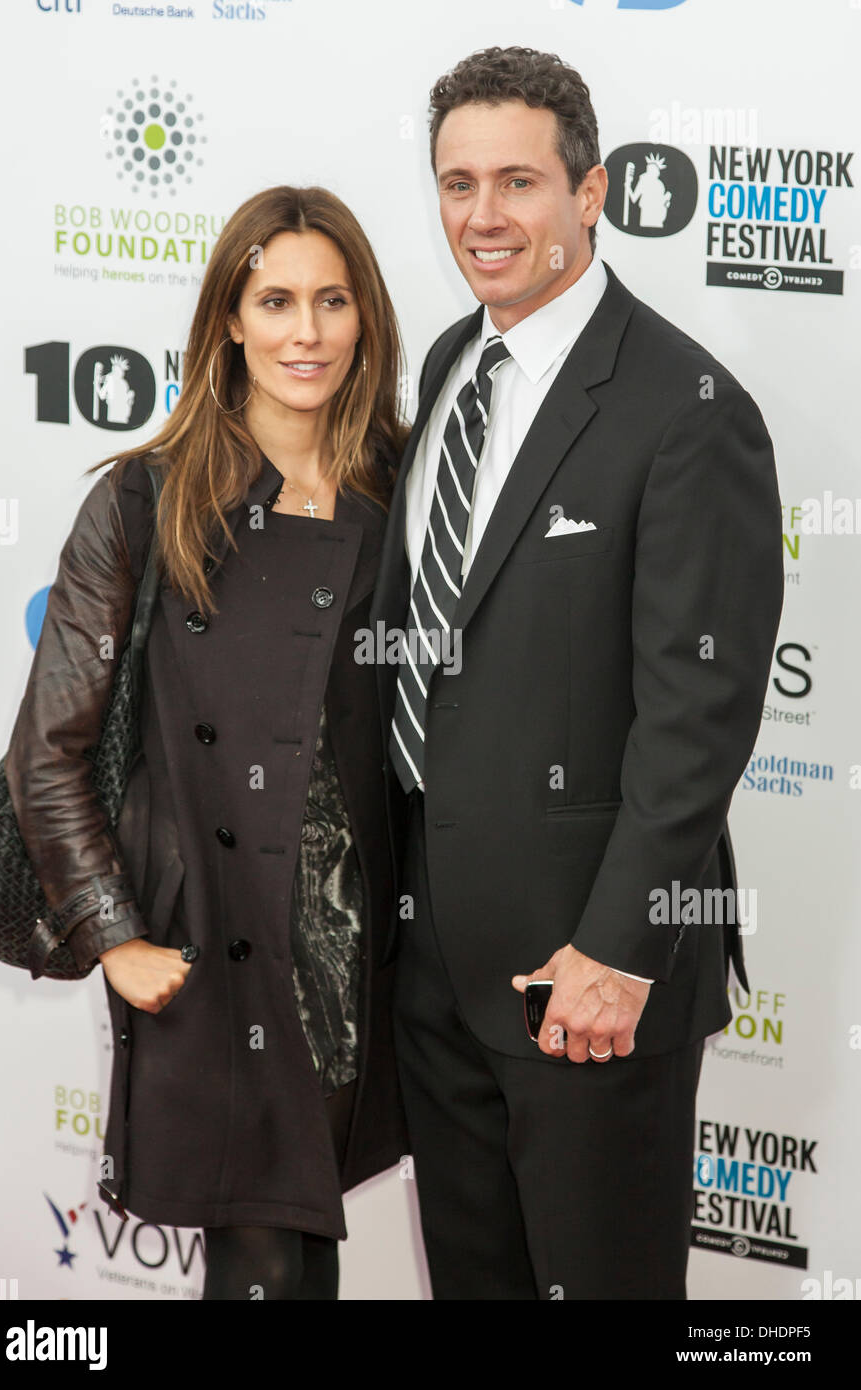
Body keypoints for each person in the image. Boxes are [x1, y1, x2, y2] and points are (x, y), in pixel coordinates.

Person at [370, 46, 784, 1299]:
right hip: (433, 954)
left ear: (590, 193)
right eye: (455, 183)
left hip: (584, 972)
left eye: (517, 182)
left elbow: (697, 712)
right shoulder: (450, 362)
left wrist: (618, 948)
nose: (481, 217)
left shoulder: (685, 405)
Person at [5, 185, 409, 1300]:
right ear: (228, 318)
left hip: (355, 946)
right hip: (209, 936)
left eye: (333, 302)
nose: (306, 332)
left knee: (300, 1245)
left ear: (364, 319)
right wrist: (113, 933)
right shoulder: (145, 499)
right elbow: (50, 750)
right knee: (260, 1256)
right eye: (274, 300)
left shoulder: (401, 491)